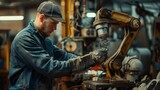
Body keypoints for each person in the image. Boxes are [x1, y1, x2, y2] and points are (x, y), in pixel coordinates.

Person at [8, 1, 108, 90]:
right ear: (42, 17)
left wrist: (87, 62)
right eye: (54, 23)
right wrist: (88, 60)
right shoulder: (24, 39)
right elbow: (50, 68)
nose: (55, 28)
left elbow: (63, 55)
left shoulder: (45, 40)